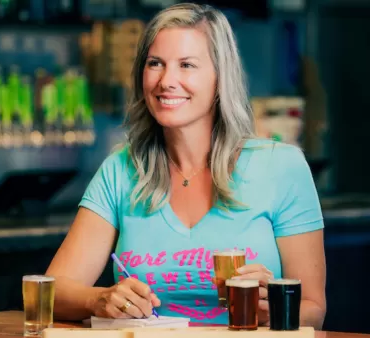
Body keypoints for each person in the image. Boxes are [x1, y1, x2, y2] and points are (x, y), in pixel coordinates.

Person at [45, 3, 326, 328]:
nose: (167, 80)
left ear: (220, 78)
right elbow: (52, 292)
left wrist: (272, 309)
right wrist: (99, 299)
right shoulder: (120, 169)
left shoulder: (282, 166)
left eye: (187, 65)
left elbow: (314, 310)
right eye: (155, 64)